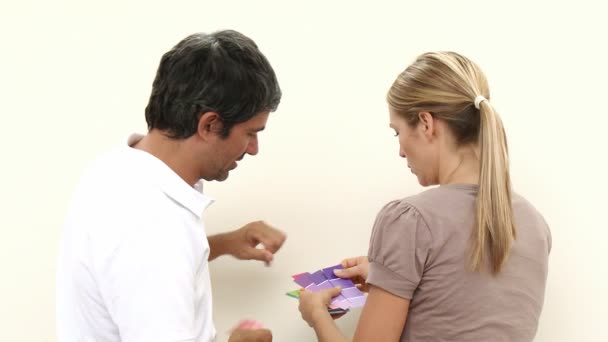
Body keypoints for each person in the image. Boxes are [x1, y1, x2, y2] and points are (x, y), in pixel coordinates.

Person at [298, 51, 551, 341]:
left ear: (426, 123)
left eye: (398, 132)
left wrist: (316, 313)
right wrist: (393, 277)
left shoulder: (409, 220)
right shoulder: (535, 225)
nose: (401, 150)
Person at [56, 30, 286, 342]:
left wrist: (222, 244)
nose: (254, 148)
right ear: (209, 125)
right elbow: (154, 251)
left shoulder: (118, 166)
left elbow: (143, 269)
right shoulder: (155, 228)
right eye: (250, 133)